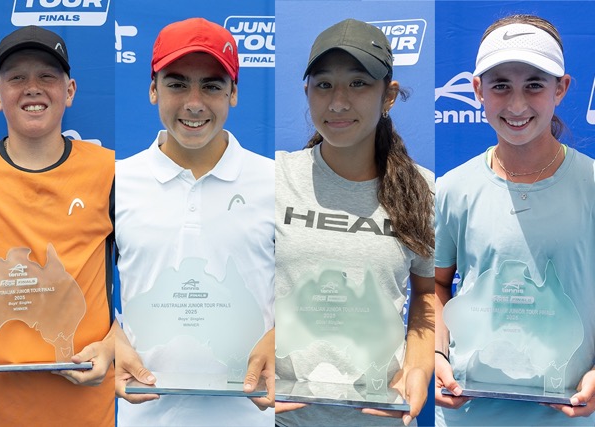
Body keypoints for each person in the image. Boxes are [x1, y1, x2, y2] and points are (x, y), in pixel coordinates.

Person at [435, 14, 595, 426]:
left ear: (561, 88)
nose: (517, 105)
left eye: (534, 85)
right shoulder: (452, 188)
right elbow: (435, 285)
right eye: (501, 85)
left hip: (568, 416)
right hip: (468, 414)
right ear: (478, 90)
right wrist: (436, 353)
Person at [114, 17, 275, 426]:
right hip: (145, 416)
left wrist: (282, 337)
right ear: (153, 89)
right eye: (177, 84)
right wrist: (108, 338)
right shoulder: (115, 181)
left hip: (251, 416)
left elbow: (307, 291)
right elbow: (86, 291)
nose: (194, 102)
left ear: (233, 93)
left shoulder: (276, 182)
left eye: (212, 86)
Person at [274, 18, 435, 427]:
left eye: (359, 83)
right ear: (307, 92)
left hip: (383, 418)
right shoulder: (274, 178)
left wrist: (417, 367)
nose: (338, 102)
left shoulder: (424, 191)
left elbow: (428, 294)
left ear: (389, 95)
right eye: (324, 84)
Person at [0, 25, 115, 426]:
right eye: (16, 78)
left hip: (85, 410)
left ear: (69, 91)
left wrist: (114, 346)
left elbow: (153, 276)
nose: (32, 88)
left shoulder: (111, 171)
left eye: (47, 76)